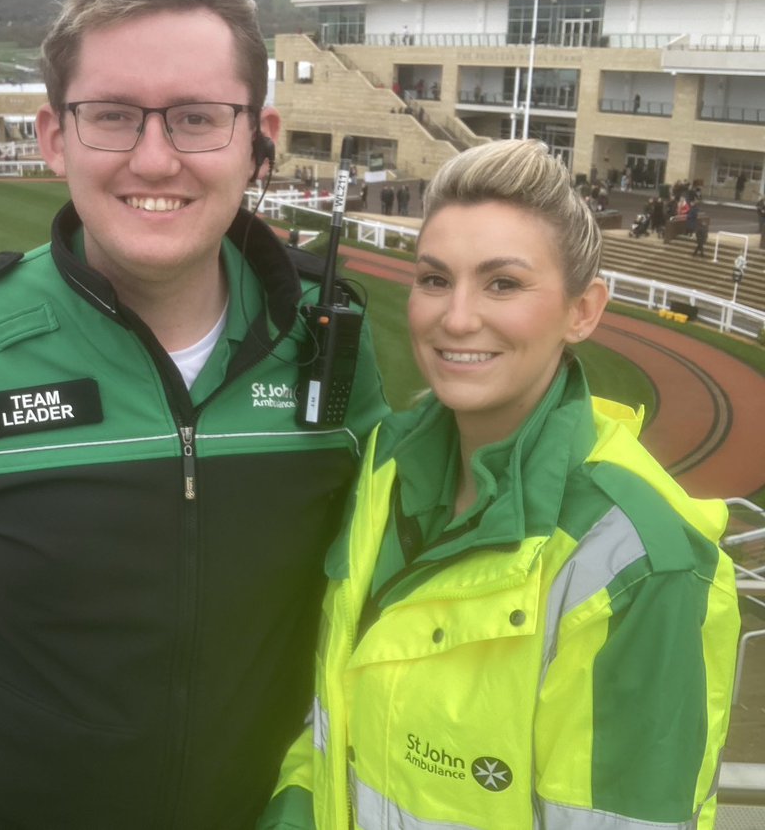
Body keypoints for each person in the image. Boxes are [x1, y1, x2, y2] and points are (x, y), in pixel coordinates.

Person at [0, 0, 387, 829]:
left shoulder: (330, 342)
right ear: (54, 138)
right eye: (113, 115)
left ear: (258, 141)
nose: (154, 160)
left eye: (197, 117)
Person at [259, 140, 739, 830]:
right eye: (433, 279)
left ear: (584, 310)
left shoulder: (645, 562)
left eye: (502, 283)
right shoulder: (383, 464)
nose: (455, 317)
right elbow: (337, 716)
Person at [689, 193, 706, 257]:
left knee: (699, 245)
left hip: (700, 236)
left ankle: (697, 253)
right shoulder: (702, 226)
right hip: (700, 236)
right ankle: (699, 254)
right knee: (699, 245)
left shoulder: (695, 208)